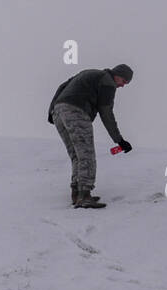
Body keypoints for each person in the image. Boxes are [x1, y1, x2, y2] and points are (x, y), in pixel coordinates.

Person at [47, 64, 134, 208]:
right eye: (124, 81)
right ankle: (84, 196)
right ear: (117, 75)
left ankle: (76, 193)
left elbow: (62, 86)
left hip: (59, 111)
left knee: (77, 154)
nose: (123, 85)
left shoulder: (89, 73)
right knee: (86, 154)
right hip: (76, 111)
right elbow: (106, 113)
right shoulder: (108, 82)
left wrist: (52, 111)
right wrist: (119, 140)